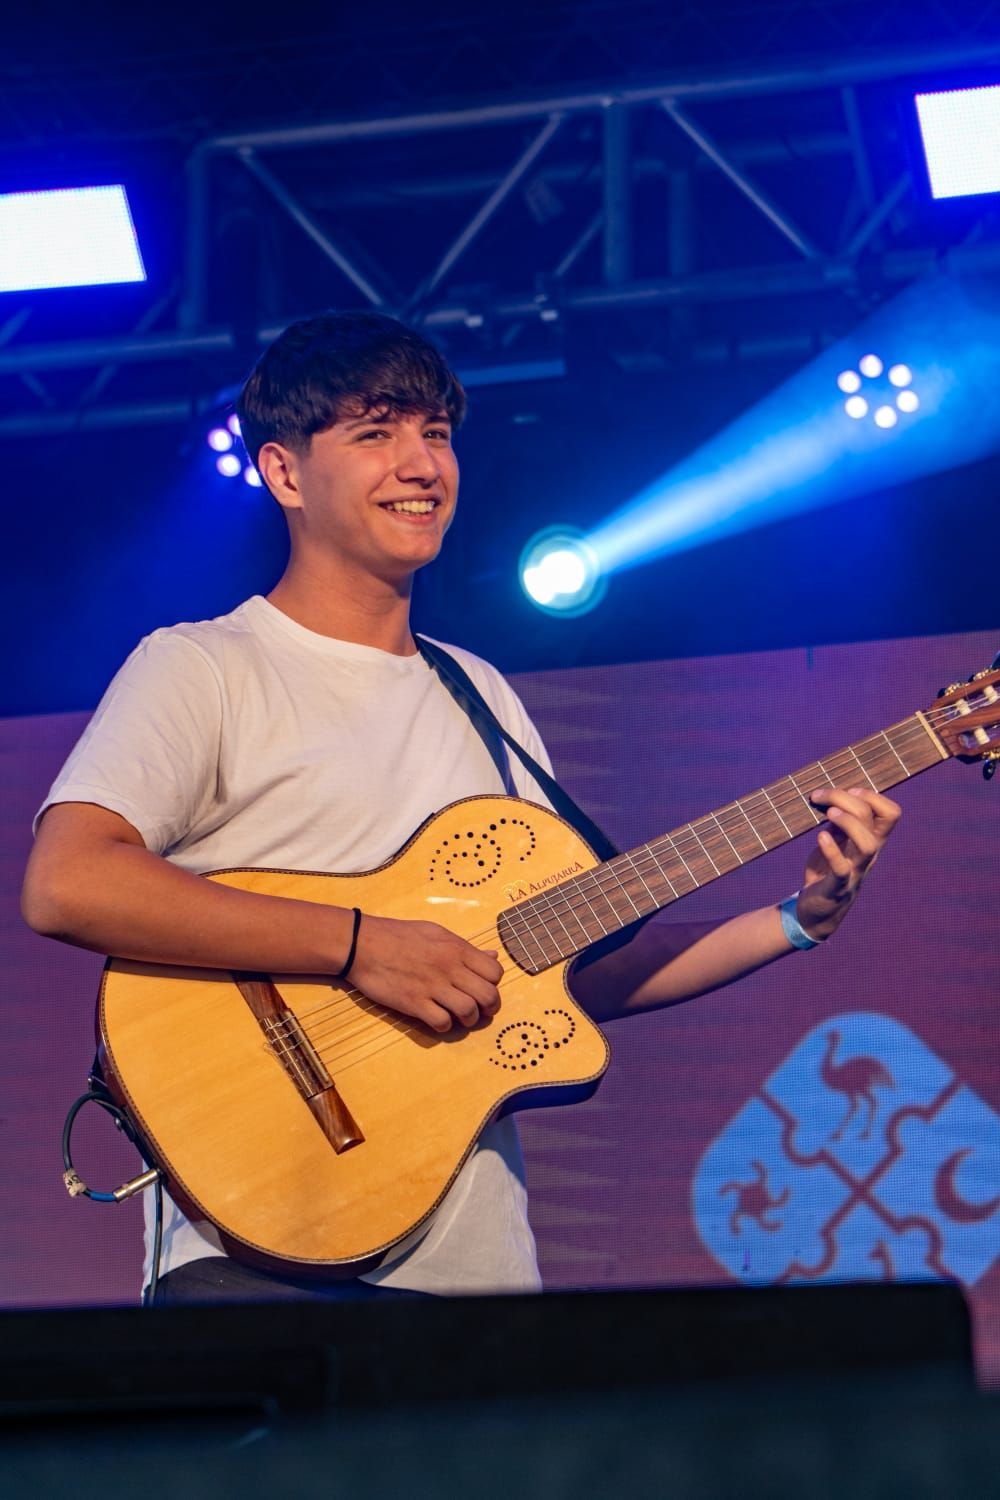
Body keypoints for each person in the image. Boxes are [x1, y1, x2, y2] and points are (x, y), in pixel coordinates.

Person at [21, 311, 902, 1304]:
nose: (420, 463)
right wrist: (360, 945)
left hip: (471, 1277)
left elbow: (554, 972)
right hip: (257, 1254)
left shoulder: (479, 691)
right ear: (281, 472)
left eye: (435, 433)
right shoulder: (205, 666)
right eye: (375, 433)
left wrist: (795, 918)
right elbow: (69, 880)